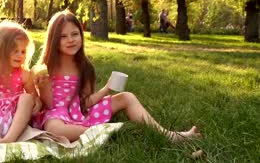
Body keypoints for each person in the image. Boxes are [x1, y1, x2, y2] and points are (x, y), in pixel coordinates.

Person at [33, 10, 201, 143]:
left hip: (81, 113)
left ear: (81, 35)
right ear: (54, 39)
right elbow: (47, 105)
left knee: (127, 97)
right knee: (54, 129)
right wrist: (43, 87)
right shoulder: (47, 67)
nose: (70, 40)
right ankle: (111, 132)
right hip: (57, 116)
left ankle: (169, 135)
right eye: (63, 36)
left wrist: (107, 89)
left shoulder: (85, 67)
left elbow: (86, 102)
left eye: (74, 34)